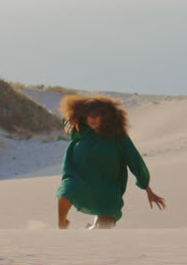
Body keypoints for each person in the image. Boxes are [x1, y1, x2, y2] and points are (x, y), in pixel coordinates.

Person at [56, 94, 167, 229]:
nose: (93, 119)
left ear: (106, 117)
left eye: (97, 115)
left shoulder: (119, 138)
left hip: (108, 190)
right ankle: (62, 225)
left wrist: (148, 189)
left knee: (103, 230)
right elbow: (66, 121)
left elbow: (135, 161)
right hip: (80, 181)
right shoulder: (81, 131)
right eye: (89, 115)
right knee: (66, 191)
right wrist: (70, 119)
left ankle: (92, 227)